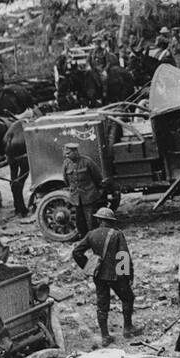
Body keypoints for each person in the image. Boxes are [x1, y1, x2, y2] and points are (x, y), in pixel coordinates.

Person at [71, 206, 139, 346]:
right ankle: (127, 328)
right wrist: (128, 276)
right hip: (116, 275)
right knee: (128, 298)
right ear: (110, 221)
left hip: (99, 275)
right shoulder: (117, 234)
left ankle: (105, 336)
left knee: (102, 305)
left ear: (99, 220)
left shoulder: (91, 234)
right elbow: (123, 256)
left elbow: (76, 252)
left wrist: (88, 265)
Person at [63, 142, 107, 236]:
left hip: (89, 196)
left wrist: (96, 191)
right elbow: (66, 180)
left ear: (75, 152)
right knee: (80, 222)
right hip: (76, 198)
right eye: (66, 153)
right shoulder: (66, 164)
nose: (66, 155)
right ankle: (84, 238)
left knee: (91, 221)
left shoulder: (87, 162)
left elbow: (97, 177)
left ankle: (95, 238)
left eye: (68, 153)